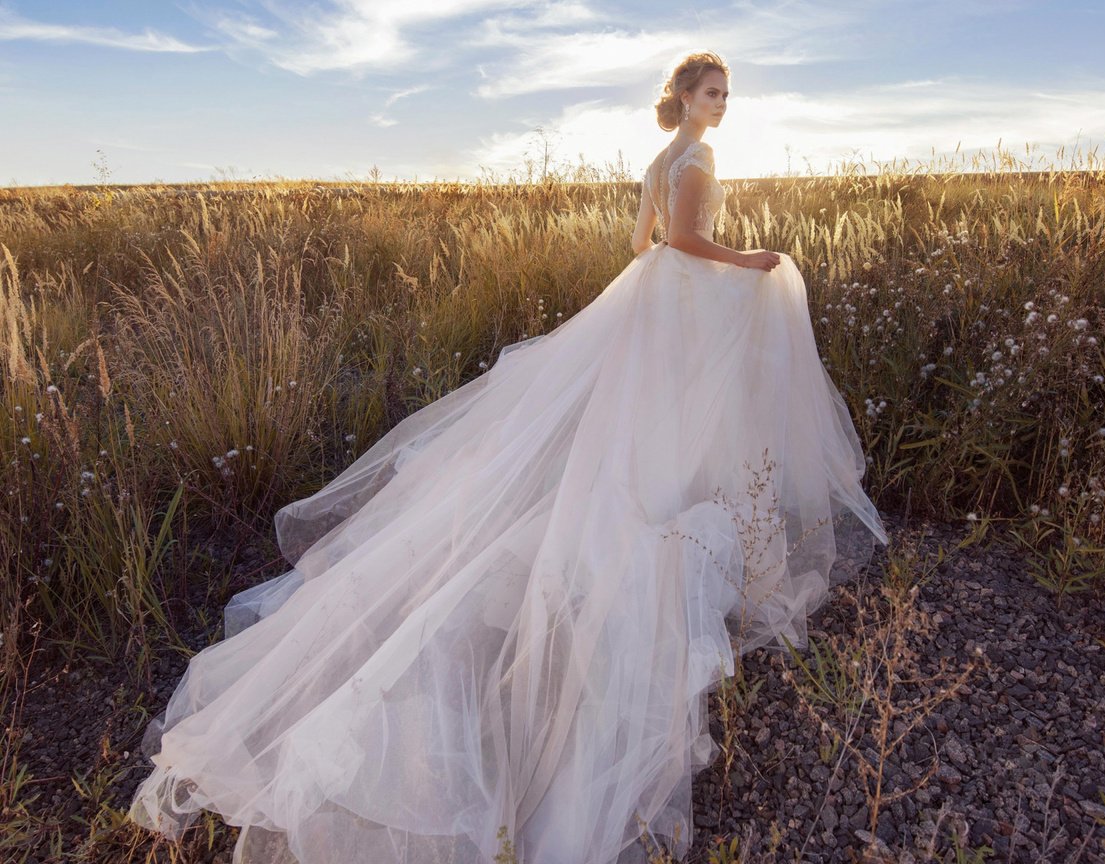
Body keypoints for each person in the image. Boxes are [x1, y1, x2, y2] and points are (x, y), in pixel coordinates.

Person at [127, 50, 888, 864]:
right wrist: (749, 264)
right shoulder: (696, 158)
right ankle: (647, 522)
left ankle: (638, 505)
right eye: (712, 93)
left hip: (650, 304)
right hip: (679, 301)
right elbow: (686, 239)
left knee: (630, 427)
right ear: (686, 100)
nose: (723, 105)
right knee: (670, 423)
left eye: (728, 95)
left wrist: (676, 280)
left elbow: (642, 245)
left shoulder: (660, 160)